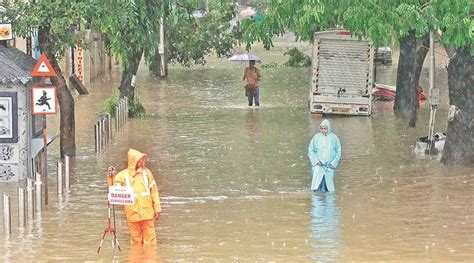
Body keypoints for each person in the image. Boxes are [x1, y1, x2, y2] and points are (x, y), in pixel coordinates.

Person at [113, 149, 161, 245]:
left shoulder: (147, 173)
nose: (142, 162)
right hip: (132, 212)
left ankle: (150, 257)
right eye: (139, 160)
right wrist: (110, 177)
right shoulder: (122, 175)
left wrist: (157, 208)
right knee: (136, 239)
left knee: (150, 239)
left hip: (147, 211)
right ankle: (137, 257)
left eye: (143, 160)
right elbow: (113, 189)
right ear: (133, 161)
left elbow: (154, 191)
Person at [308, 119, 342, 192]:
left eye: (325, 129)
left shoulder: (334, 138)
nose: (323, 130)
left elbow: (338, 151)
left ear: (328, 128)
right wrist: (316, 162)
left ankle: (329, 202)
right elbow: (311, 150)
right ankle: (316, 201)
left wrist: (333, 163)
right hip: (318, 166)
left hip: (329, 167)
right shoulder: (316, 137)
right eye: (322, 128)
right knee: (316, 187)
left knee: (329, 189)